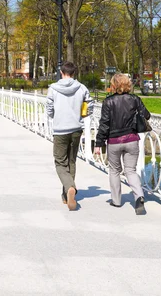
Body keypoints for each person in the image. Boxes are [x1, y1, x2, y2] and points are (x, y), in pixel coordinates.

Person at [94, 73, 149, 215]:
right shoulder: (135, 99)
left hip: (114, 141)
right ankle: (139, 196)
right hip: (131, 139)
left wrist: (98, 143)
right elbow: (146, 115)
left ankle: (116, 201)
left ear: (113, 85)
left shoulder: (108, 102)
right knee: (130, 170)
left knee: (114, 171)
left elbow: (104, 124)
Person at [46, 62, 93, 211]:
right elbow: (89, 106)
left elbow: (49, 108)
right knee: (71, 160)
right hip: (76, 129)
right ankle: (66, 195)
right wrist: (81, 115)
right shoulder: (82, 88)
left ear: (61, 72)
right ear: (74, 73)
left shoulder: (53, 89)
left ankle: (70, 188)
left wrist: (55, 116)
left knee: (60, 162)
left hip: (60, 129)